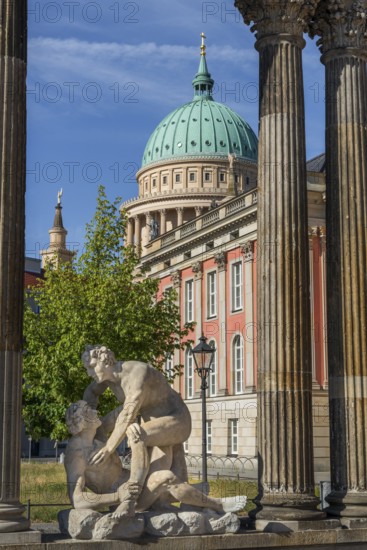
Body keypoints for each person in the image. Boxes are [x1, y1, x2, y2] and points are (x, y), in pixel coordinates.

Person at [64, 401, 246, 516]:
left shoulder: (99, 437)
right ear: (82, 422)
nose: (95, 412)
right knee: (164, 477)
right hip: (129, 497)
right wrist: (117, 496)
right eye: (89, 411)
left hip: (138, 479)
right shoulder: (77, 453)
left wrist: (141, 400)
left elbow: (124, 411)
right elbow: (77, 500)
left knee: (169, 439)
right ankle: (218, 504)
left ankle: (185, 493)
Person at [81, 345, 192, 517]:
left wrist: (108, 449)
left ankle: (129, 498)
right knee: (161, 480)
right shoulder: (107, 379)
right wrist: (89, 417)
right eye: (87, 368)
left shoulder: (137, 373)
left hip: (176, 419)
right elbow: (90, 392)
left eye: (92, 366)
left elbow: (128, 415)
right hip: (154, 423)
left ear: (106, 361)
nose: (89, 372)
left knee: (136, 434)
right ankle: (188, 497)